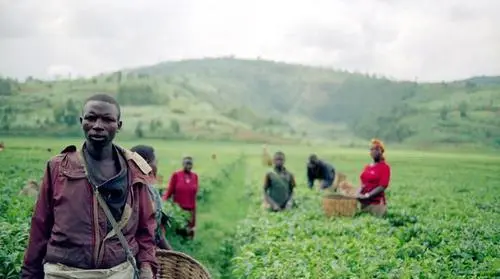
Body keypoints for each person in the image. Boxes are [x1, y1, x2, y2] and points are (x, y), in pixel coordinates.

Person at [21, 94, 157, 279]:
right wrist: (30, 273)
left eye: (107, 119)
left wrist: (147, 265)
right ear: (81, 121)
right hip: (64, 272)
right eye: (91, 118)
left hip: (118, 273)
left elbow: (145, 226)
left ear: (119, 125)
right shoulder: (58, 168)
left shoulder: (134, 171)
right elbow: (40, 225)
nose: (98, 125)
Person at [130, 145, 172, 250]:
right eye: (155, 162)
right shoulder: (145, 189)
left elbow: (156, 232)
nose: (157, 166)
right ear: (147, 162)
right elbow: (151, 229)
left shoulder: (129, 185)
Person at [162, 156, 198, 239]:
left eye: (190, 164)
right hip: (178, 211)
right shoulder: (176, 175)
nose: (188, 166)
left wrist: (194, 218)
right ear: (183, 164)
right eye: (186, 163)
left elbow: (194, 197)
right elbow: (169, 192)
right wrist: (163, 204)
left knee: (188, 234)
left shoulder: (195, 176)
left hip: (190, 211)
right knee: (179, 234)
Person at [356, 139, 391, 217]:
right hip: (364, 204)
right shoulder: (367, 167)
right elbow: (363, 184)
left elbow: (382, 186)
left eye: (376, 149)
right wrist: (357, 194)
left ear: (381, 151)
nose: (373, 151)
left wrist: (367, 196)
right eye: (371, 149)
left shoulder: (385, 167)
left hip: (376, 205)